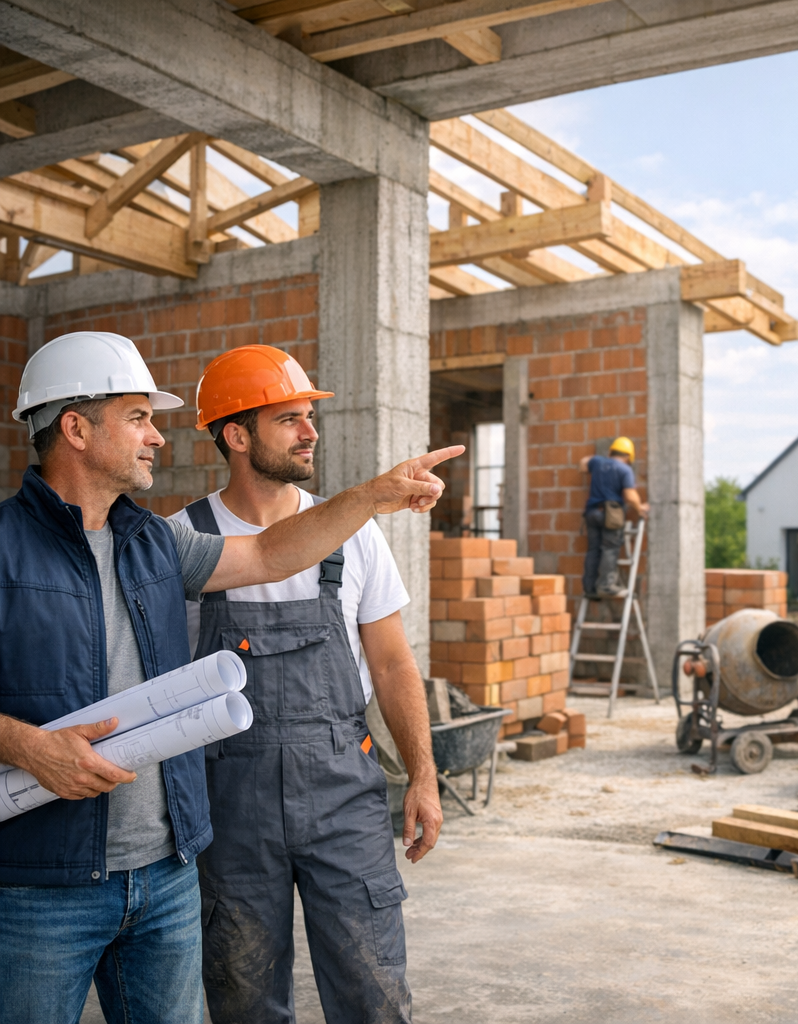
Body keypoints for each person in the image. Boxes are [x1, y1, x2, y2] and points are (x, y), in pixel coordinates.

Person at [0, 332, 460, 1024]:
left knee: (366, 993)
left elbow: (275, 554)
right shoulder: (15, 546)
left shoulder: (155, 543)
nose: (158, 437)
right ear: (75, 428)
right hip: (53, 874)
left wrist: (373, 496)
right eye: (138, 417)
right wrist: (27, 746)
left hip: (168, 867)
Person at [167, 345, 438, 1024]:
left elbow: (394, 665)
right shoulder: (183, 540)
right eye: (289, 418)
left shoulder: (355, 535)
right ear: (236, 434)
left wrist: (424, 777)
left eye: (306, 418)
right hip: (228, 807)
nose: (310, 431)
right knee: (243, 1000)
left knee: (373, 996)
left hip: (342, 794)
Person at [579, 436, 648, 597]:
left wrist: (595, 459)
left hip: (591, 512)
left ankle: (589, 588)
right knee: (609, 549)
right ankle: (606, 584)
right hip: (611, 514)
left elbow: (583, 464)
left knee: (593, 550)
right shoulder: (625, 470)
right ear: (628, 457)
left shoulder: (597, 462)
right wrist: (640, 508)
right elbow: (630, 496)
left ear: (610, 452)